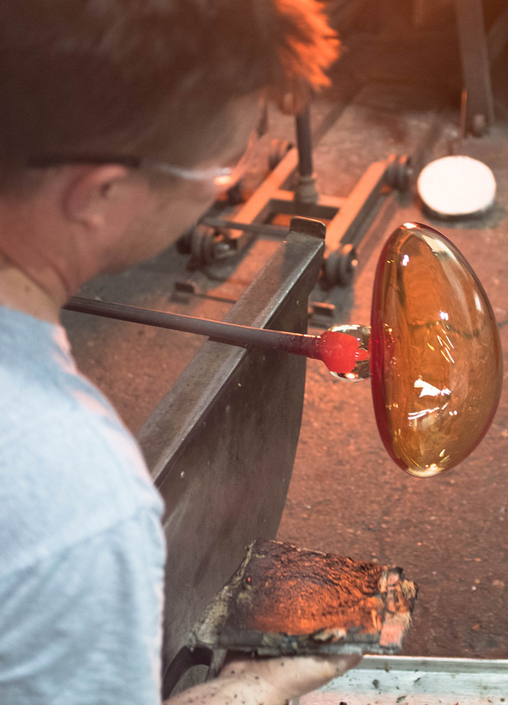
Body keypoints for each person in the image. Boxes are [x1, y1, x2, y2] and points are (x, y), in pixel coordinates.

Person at [0, 1, 359, 703]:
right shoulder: (78, 501)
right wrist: (257, 687)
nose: (220, 196)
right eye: (221, 174)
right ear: (99, 191)